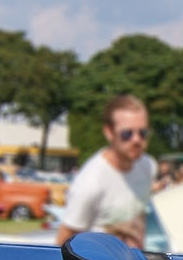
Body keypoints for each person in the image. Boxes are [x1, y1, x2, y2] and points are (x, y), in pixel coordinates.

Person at [55, 95, 158, 249]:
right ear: (109, 132)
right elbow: (63, 243)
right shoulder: (90, 182)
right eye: (126, 134)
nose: (136, 140)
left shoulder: (148, 166)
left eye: (142, 133)